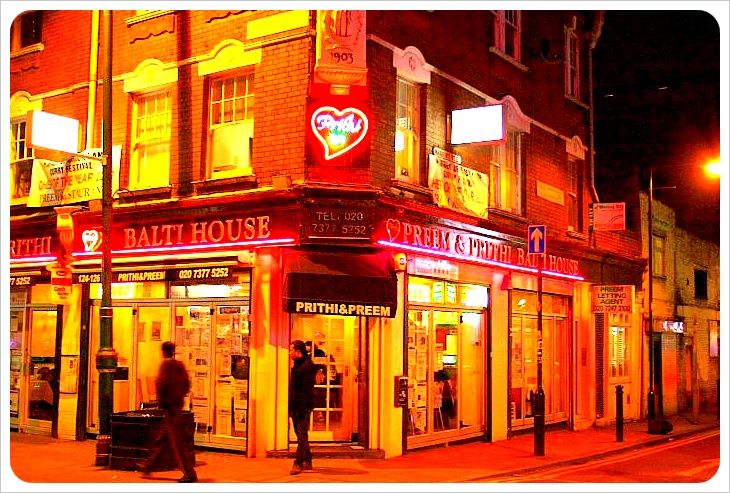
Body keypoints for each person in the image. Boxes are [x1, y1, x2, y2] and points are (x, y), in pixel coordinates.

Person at [137, 341, 197, 483]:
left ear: (164, 352)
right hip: (178, 406)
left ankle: (190, 474)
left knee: (177, 443)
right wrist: (180, 397)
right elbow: (187, 384)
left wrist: (162, 401)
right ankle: (149, 466)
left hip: (169, 408)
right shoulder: (180, 366)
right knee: (163, 438)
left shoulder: (165, 366)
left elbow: (161, 384)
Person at [288, 339, 316, 475]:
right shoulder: (298, 365)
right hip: (296, 406)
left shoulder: (307, 367)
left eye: (291, 350)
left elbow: (306, 391)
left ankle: (298, 462)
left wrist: (300, 409)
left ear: (298, 352)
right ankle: (308, 460)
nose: (289, 353)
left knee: (301, 435)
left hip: (302, 407)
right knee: (301, 434)